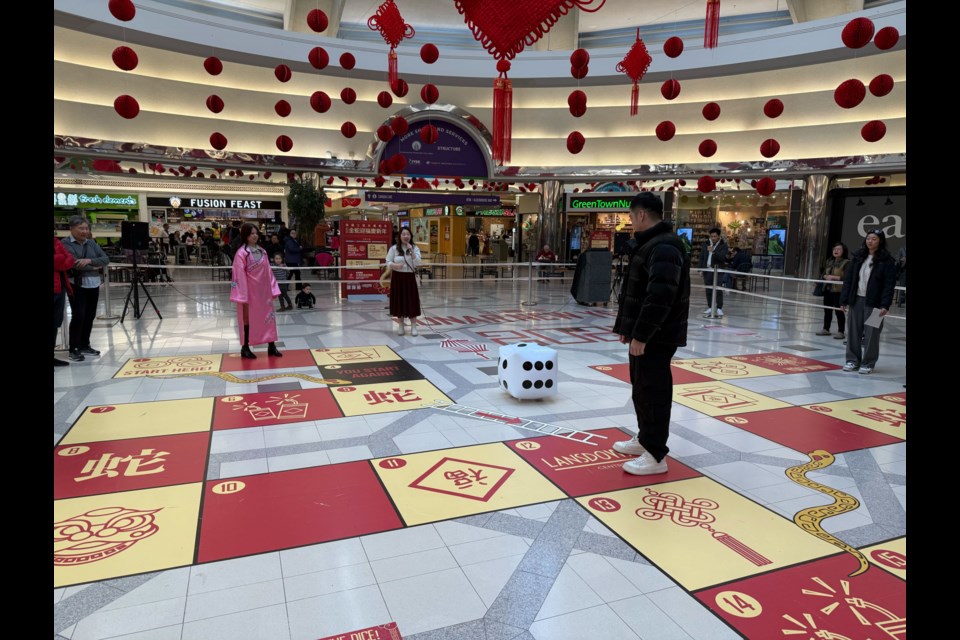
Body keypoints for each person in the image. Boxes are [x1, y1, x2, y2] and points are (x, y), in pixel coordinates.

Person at [612, 192, 691, 475]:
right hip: (645, 333)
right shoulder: (651, 244)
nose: (631, 221)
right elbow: (638, 290)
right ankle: (645, 439)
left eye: (631, 216)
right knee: (641, 387)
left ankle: (656, 455)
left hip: (658, 335)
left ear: (641, 215)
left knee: (653, 391)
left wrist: (642, 335)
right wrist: (627, 329)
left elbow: (660, 296)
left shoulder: (666, 247)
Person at [839, 230, 897, 374]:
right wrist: (844, 300)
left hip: (875, 303)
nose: (870, 241)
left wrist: (885, 304)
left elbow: (889, 285)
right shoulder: (858, 257)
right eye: (868, 238)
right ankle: (852, 360)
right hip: (856, 300)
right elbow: (848, 281)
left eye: (874, 239)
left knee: (872, 334)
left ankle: (868, 363)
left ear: (880, 241)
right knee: (853, 332)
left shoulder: (887, 260)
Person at [61, 216, 111, 361]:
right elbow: (73, 263)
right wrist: (95, 265)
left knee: (90, 315)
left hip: (93, 283)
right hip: (76, 284)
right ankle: (74, 348)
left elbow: (105, 259)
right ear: (71, 229)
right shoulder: (65, 243)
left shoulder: (91, 243)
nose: (84, 231)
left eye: (86, 228)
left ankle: (84, 344)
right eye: (81, 228)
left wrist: (89, 261)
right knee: (79, 315)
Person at [230, 222, 283, 359]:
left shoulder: (262, 251)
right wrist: (242, 294)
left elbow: (268, 271)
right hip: (250, 293)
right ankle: (245, 347)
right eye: (251, 233)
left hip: (264, 292)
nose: (254, 236)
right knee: (248, 319)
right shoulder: (242, 253)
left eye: (256, 233)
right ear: (245, 236)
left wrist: (273, 288)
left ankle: (272, 346)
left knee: (268, 318)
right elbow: (238, 274)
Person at [386, 227, 422, 336]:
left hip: (410, 278)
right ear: (399, 236)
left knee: (411, 301)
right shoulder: (393, 249)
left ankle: (414, 326)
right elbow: (387, 261)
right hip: (397, 278)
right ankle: (401, 325)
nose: (406, 236)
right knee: (399, 301)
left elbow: (418, 262)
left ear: (410, 236)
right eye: (403, 234)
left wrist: (411, 250)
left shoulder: (415, 248)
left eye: (408, 234)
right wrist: (395, 265)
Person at [816, 242, 850, 338]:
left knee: (839, 311)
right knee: (827, 311)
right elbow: (823, 274)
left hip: (839, 291)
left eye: (839, 249)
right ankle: (826, 329)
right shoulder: (829, 261)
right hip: (828, 289)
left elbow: (847, 278)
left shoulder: (847, 263)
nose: (836, 251)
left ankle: (841, 331)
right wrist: (825, 276)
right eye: (834, 249)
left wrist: (833, 277)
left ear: (843, 251)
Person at [54, 237, 75, 367]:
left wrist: (61, 259)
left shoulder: (56, 241)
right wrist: (61, 258)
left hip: (60, 287)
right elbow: (61, 259)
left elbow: (70, 259)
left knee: (55, 323)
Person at [698, 227, 728, 317]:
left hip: (718, 271)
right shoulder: (706, 244)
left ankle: (719, 308)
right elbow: (702, 257)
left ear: (719, 236)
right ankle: (710, 306)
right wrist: (700, 269)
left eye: (715, 236)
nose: (713, 238)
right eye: (711, 236)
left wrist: (714, 251)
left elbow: (722, 258)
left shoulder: (724, 245)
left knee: (718, 289)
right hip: (707, 270)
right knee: (708, 290)